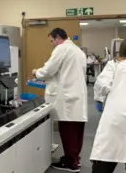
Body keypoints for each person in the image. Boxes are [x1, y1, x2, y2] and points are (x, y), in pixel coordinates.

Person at [32, 28, 87, 172]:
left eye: (51, 41)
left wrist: (36, 72)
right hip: (76, 95)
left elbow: (48, 70)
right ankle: (75, 158)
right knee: (77, 130)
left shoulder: (61, 49)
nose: (51, 44)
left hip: (67, 97)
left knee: (67, 129)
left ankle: (70, 163)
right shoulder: (77, 50)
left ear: (57, 38)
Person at [90, 40, 126, 173]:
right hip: (116, 115)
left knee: (106, 156)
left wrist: (99, 100)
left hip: (115, 116)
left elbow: (102, 85)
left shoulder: (114, 64)